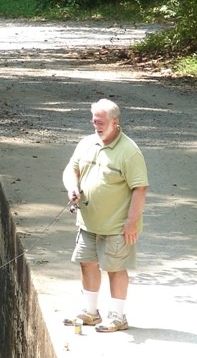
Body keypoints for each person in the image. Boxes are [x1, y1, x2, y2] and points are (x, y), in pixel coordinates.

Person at [61, 99, 149, 332]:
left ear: (115, 122)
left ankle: (118, 317)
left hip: (117, 225)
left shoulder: (129, 151)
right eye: (94, 120)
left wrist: (131, 223)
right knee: (87, 263)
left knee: (115, 268)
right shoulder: (87, 143)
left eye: (100, 122)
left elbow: (140, 188)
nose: (96, 125)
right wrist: (72, 186)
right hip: (88, 221)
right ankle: (91, 313)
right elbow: (71, 169)